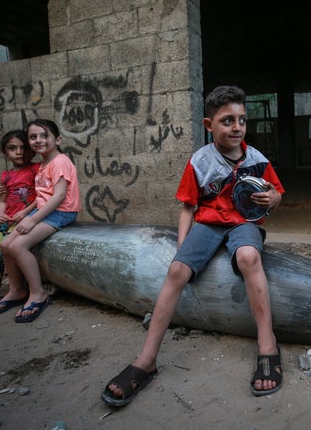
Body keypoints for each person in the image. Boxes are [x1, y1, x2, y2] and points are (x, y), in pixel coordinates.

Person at [101, 85, 285, 407]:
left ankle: (267, 344)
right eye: (227, 121)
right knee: (176, 271)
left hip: (245, 223)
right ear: (208, 125)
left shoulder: (257, 159)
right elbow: (187, 207)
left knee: (248, 257)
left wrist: (273, 198)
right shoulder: (199, 161)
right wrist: (183, 249)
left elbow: (278, 194)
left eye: (242, 120)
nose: (237, 127)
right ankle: (146, 359)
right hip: (208, 224)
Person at [0, 119, 80, 323]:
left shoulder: (60, 161)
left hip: (61, 212)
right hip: (43, 211)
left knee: (18, 246)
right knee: (5, 245)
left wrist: (32, 219)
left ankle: (38, 293)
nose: (38, 140)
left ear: (58, 139)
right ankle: (17, 290)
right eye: (33, 136)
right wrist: (22, 211)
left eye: (44, 135)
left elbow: (59, 196)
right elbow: (37, 193)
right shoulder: (42, 165)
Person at [0, 130, 40, 313]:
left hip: (25, 220)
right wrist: (0, 212)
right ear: (6, 152)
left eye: (23, 148)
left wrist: (26, 212)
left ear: (31, 150)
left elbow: (42, 196)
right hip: (6, 222)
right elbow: (3, 200)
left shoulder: (36, 170)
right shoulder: (6, 176)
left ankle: (23, 288)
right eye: (13, 148)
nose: (19, 152)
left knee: (16, 252)